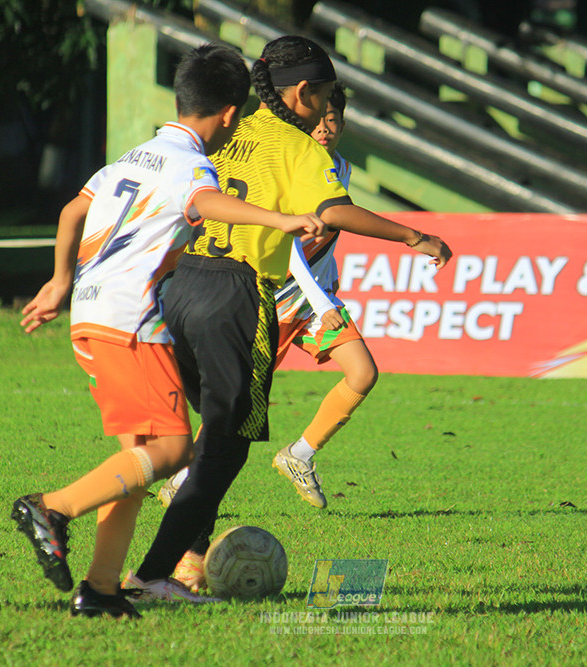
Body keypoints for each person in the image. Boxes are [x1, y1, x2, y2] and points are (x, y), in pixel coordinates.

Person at [10, 42, 325, 619]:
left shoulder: (134, 156)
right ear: (229, 113)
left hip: (91, 311)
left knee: (135, 458)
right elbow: (207, 201)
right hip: (132, 320)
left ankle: (102, 590)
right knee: (174, 447)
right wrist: (282, 219)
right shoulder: (191, 164)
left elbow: (72, 212)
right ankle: (51, 508)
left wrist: (59, 281)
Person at [129, 35, 452, 594]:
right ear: (303, 93)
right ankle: (160, 572)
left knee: (202, 440)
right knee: (224, 450)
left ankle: (174, 561)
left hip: (173, 288)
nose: (328, 109)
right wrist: (414, 235)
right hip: (234, 295)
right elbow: (337, 211)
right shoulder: (298, 148)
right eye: (325, 95)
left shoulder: (222, 128)